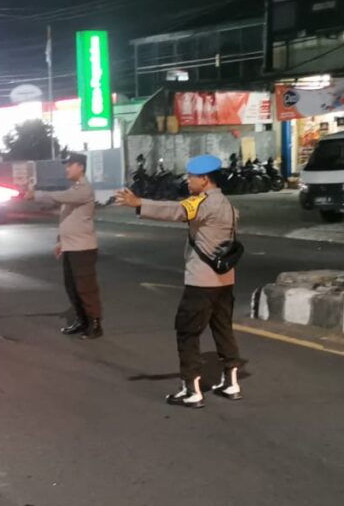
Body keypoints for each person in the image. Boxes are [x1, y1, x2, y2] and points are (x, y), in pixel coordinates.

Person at [115, 154, 242, 408]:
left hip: (202, 282)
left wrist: (139, 203)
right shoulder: (228, 205)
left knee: (187, 332)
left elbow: (177, 210)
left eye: (192, 177)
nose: (188, 181)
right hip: (225, 281)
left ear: (205, 180)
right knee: (223, 330)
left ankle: (191, 389)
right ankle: (231, 382)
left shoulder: (204, 203)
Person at [25, 152, 103, 339]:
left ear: (81, 167)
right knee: (72, 287)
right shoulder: (75, 188)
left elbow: (61, 197)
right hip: (71, 246)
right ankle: (81, 320)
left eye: (70, 165)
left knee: (86, 287)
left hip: (83, 248)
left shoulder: (84, 189)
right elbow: (67, 217)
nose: (67, 168)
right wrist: (61, 241)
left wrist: (36, 194)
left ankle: (94, 324)